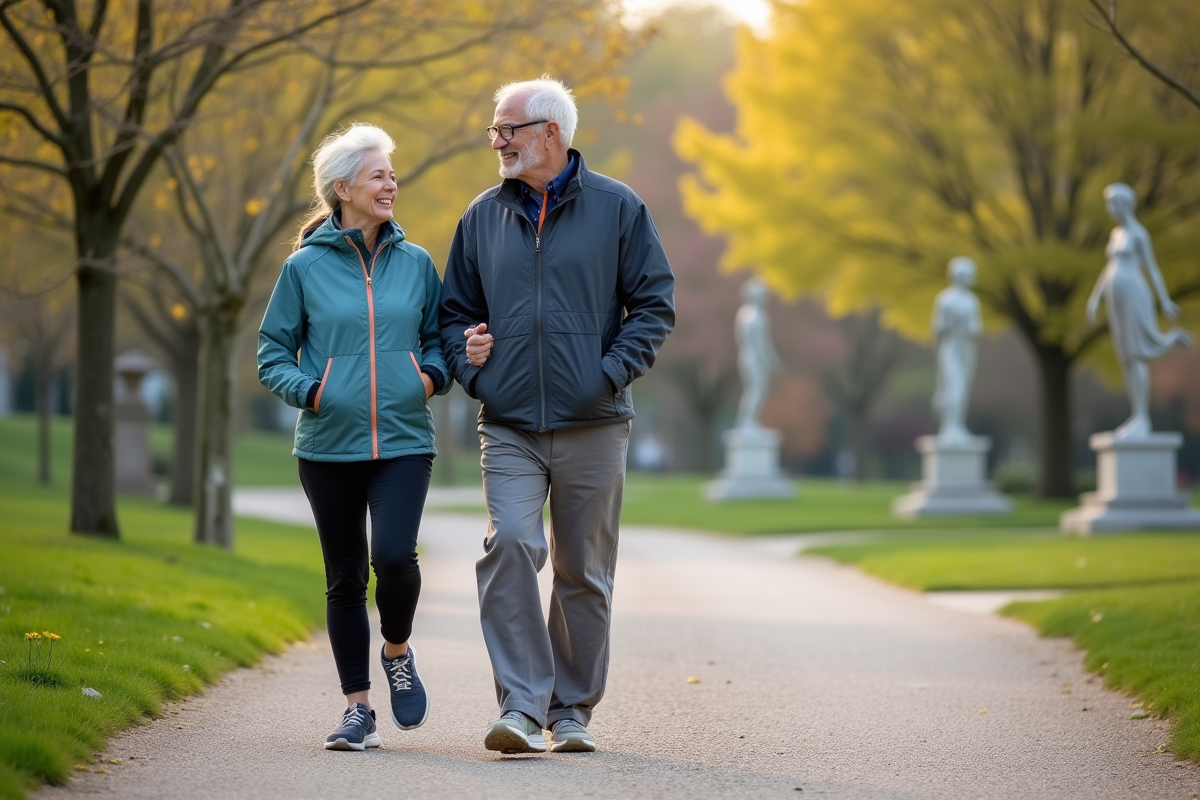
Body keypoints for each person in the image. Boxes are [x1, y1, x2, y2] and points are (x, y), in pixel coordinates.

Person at [439, 77, 675, 754]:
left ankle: (569, 711)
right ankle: (520, 706)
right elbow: (454, 314)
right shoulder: (483, 215)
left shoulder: (619, 208)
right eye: (494, 130)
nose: (497, 141)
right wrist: (470, 362)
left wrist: (606, 374)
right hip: (509, 421)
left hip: (594, 423)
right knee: (511, 543)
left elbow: (654, 303)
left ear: (550, 133)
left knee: (583, 571)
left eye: (506, 129)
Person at [258, 124, 451, 751]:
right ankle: (358, 709)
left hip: (402, 439)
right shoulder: (304, 268)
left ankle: (397, 650)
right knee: (344, 578)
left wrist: (427, 377)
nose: (391, 184)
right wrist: (313, 391)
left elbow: (441, 339)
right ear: (343, 188)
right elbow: (271, 353)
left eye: (392, 174)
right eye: (379, 175)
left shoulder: (417, 263)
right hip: (326, 447)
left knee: (393, 557)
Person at [1086, 182, 1192, 439]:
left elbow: (1152, 269)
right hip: (1115, 297)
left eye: (1113, 203)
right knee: (1125, 358)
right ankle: (1136, 415)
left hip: (1134, 293)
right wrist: (1095, 297)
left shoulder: (1139, 234)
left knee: (1136, 355)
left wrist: (1165, 301)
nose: (1110, 208)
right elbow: (1109, 268)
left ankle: (1142, 418)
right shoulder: (1115, 234)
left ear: (1125, 204)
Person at [932, 256, 982, 444]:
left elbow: (976, 328)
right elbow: (938, 329)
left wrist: (966, 327)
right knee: (955, 387)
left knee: (964, 388)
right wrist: (952, 325)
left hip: (966, 348)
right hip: (950, 347)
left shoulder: (972, 301)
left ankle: (958, 425)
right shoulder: (945, 300)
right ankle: (949, 427)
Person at [734, 277, 779, 429]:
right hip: (755, 358)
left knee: (752, 390)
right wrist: (772, 361)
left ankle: (747, 421)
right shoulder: (758, 316)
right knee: (758, 391)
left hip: (745, 356)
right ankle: (748, 422)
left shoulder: (743, 313)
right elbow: (762, 344)